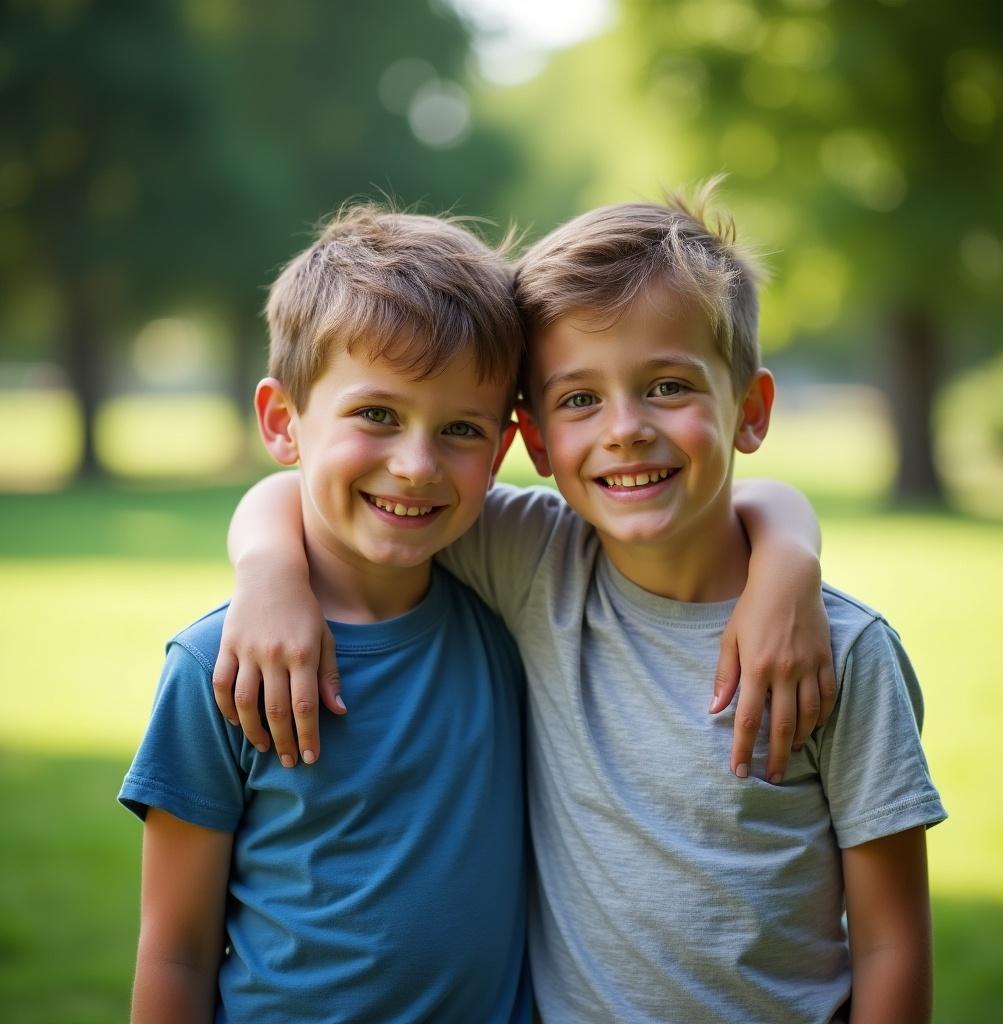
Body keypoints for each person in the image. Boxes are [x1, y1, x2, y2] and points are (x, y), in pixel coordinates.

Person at [211, 184, 941, 1023]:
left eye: (668, 386)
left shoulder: (842, 654)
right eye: (580, 399)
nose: (624, 428)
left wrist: (788, 562)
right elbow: (312, 489)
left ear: (751, 409)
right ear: (535, 442)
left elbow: (892, 943)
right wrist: (268, 571)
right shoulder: (536, 562)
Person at [118, 206, 534, 1023]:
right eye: (377, 415)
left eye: (459, 429)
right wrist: (268, 565)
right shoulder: (216, 665)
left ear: (503, 449)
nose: (416, 467)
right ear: (282, 421)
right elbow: (175, 950)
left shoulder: (516, 614)